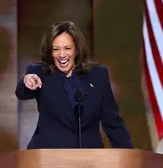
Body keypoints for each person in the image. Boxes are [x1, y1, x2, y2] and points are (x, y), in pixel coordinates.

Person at [15, 21, 132, 149]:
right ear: (50, 52)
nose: (62, 55)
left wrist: (127, 156)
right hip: (48, 157)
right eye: (56, 49)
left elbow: (112, 122)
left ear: (76, 49)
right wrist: (27, 82)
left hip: (90, 157)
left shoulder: (98, 75)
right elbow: (22, 93)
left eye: (67, 48)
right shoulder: (39, 72)